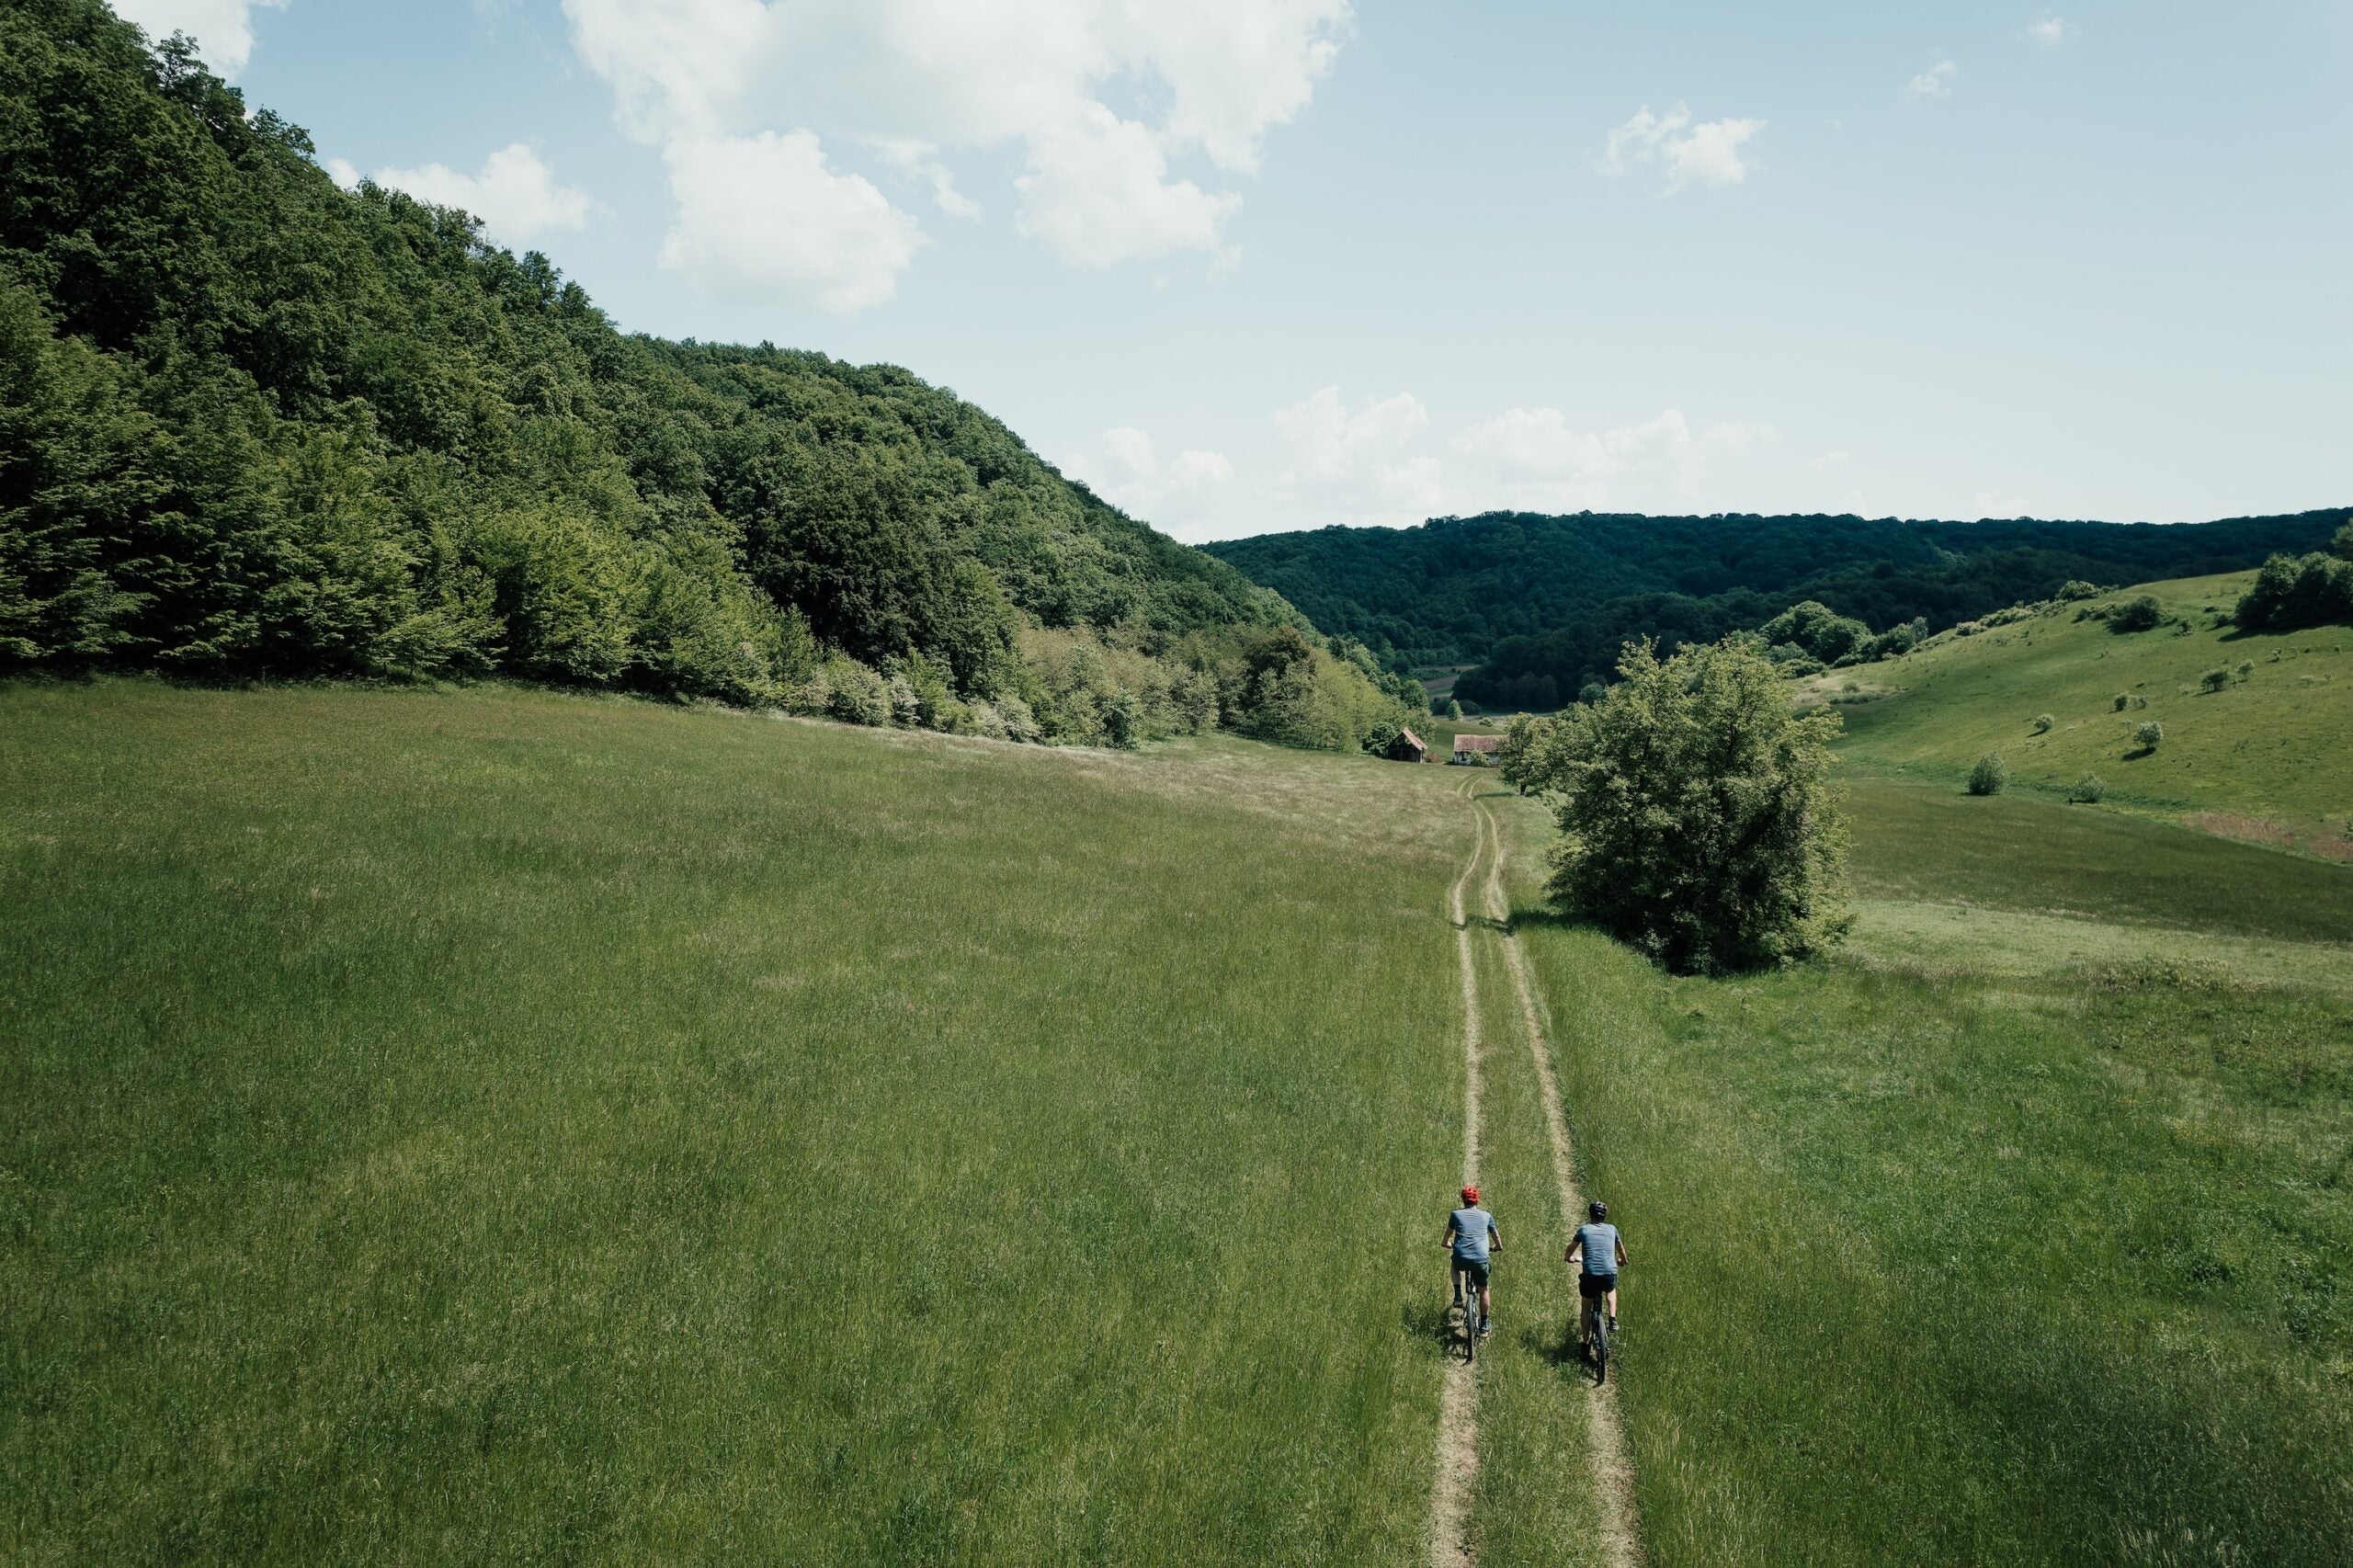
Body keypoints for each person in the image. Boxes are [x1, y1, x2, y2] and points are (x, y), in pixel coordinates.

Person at [1564, 1199, 1624, 1353]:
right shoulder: (1612, 1229)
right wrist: (1622, 1261)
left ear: (1590, 1215)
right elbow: (1621, 1250)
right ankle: (1612, 1318)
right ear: (1605, 1216)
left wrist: (1569, 1258)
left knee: (1586, 1306)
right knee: (1611, 1289)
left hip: (1590, 1275)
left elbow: (1571, 1248)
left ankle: (1585, 1343)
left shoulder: (1584, 1230)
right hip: (1608, 1274)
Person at [1443, 1184, 1501, 1337]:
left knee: (1454, 1266)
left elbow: (1447, 1235)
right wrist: (1497, 1247)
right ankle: (1484, 1325)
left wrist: (1446, 1243)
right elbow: (1496, 1237)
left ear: (1463, 1200)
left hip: (1461, 1256)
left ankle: (1457, 1295)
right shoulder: (1487, 1216)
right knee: (1484, 1290)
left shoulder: (1455, 1214)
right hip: (1481, 1258)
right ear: (1477, 1201)